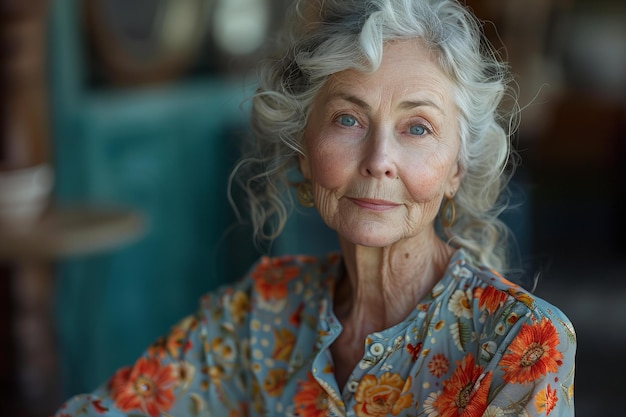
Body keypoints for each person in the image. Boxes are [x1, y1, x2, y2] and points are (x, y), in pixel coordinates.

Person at [54, 0, 576, 416]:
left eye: (418, 128)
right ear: (304, 150)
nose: (379, 161)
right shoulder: (264, 311)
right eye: (348, 119)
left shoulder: (519, 342)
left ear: (455, 170)